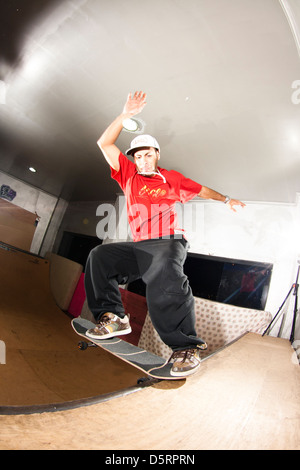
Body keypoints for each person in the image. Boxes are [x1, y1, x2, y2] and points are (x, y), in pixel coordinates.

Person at [84, 91, 245, 377]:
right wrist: (125, 116)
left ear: (157, 155)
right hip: (140, 247)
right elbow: (104, 143)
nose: (143, 160)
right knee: (100, 256)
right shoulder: (127, 173)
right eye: (139, 156)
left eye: (148, 155)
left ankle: (186, 346)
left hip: (168, 241)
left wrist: (227, 199)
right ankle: (114, 317)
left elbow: (202, 190)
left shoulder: (172, 178)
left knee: (164, 275)